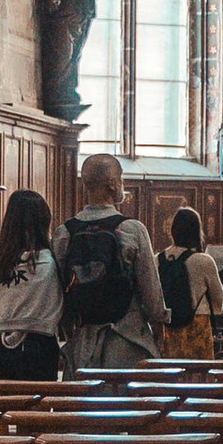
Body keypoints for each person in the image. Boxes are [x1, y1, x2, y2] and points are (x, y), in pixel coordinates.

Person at [57, 150, 167, 373]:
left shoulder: (64, 233)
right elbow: (152, 293)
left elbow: (60, 291)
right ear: (112, 184)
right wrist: (159, 329)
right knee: (132, 405)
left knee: (80, 406)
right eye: (121, 178)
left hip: (83, 343)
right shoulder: (132, 230)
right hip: (128, 339)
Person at [0, 189, 61, 382]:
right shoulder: (47, 261)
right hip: (40, 345)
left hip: (4, 348)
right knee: (39, 406)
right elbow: (55, 301)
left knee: (9, 405)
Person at [155, 202, 223, 360]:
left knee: (169, 378)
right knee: (198, 378)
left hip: (166, 327)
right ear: (197, 231)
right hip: (197, 325)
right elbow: (218, 302)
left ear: (173, 231)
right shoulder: (203, 261)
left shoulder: (157, 260)